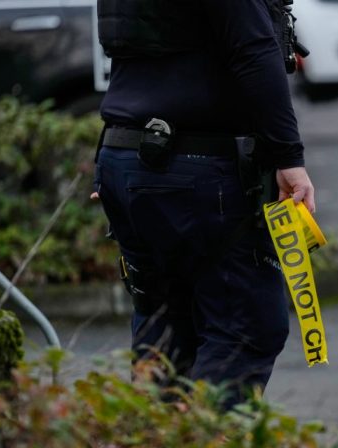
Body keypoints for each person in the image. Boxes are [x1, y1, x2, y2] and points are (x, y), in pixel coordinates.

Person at [92, 0, 315, 407]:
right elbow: (253, 51)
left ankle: (152, 436)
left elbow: (136, 48)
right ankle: (196, 439)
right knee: (245, 330)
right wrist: (289, 158)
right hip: (198, 167)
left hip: (126, 156)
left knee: (164, 328)